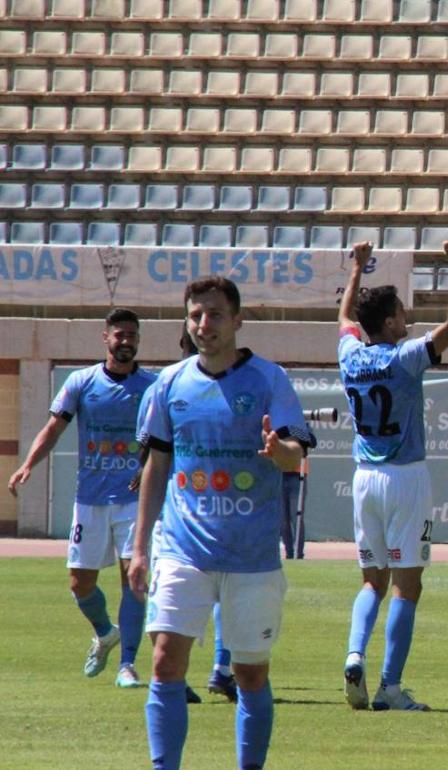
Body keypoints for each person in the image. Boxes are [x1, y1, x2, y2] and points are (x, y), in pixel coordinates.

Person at [129, 276, 312, 770]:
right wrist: (141, 545)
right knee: (166, 660)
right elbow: (158, 465)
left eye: (213, 314)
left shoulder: (269, 380)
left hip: (251, 558)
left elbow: (296, 457)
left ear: (237, 320)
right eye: (195, 315)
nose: (203, 324)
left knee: (250, 675)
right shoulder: (170, 383)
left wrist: (279, 451)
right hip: (183, 549)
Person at [336, 238, 448, 711]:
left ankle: (355, 654)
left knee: (372, 581)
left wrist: (356, 270)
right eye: (401, 312)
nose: (407, 318)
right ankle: (390, 686)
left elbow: (344, 320)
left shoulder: (350, 356)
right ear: (389, 322)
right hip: (405, 478)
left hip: (364, 479)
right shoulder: (403, 357)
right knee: (408, 585)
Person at [8, 308, 156, 688]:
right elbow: (54, 427)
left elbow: (162, 443)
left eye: (132, 335)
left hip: (132, 499)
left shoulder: (152, 387)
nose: (126, 341)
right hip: (89, 498)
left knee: (134, 581)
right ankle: (106, 633)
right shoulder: (82, 382)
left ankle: (127, 665)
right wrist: (28, 464)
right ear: (105, 338)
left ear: (138, 341)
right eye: (119, 334)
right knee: (80, 583)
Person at [131, 329, 236, 704]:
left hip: (179, 512)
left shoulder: (163, 385)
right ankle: (219, 670)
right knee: (216, 593)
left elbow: (147, 454)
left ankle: (213, 670)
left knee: (164, 602)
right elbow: (152, 452)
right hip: (197, 512)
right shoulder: (169, 386)